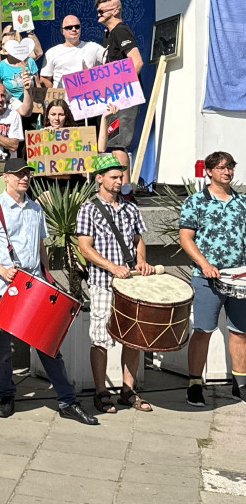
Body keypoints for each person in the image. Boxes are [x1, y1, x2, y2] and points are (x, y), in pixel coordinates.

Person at [0, 158, 97, 424]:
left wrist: (48, 274)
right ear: (6, 177)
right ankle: (6, 396)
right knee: (3, 347)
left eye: (27, 174)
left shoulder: (35, 209)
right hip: (4, 285)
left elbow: (41, 246)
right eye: (19, 174)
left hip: (34, 285)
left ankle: (67, 400)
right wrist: (2, 270)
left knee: (48, 343)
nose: (24, 178)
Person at [76, 153, 154, 414]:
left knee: (133, 338)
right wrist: (111, 267)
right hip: (102, 282)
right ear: (99, 179)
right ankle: (101, 391)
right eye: (114, 176)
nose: (120, 180)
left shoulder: (131, 207)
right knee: (100, 338)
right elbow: (84, 247)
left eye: (121, 176)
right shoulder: (88, 208)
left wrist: (141, 261)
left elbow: (138, 240)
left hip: (131, 284)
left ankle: (128, 390)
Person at [179, 151, 246, 406]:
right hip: (207, 278)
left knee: (240, 332)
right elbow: (186, 237)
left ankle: (240, 384)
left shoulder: (242, 202)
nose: (226, 172)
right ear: (208, 171)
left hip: (239, 277)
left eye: (230, 167)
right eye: (220, 168)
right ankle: (195, 384)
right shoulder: (196, 201)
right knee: (203, 330)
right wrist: (205, 264)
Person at [96, 0, 144, 184]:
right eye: (97, 10)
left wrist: (119, 90)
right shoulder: (109, 34)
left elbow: (137, 61)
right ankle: (120, 188)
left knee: (118, 143)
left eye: (102, 10)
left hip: (124, 96)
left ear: (115, 10)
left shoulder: (120, 31)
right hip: (115, 96)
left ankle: (125, 190)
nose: (98, 13)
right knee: (113, 142)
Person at [40, 16, 106, 88]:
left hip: (89, 97)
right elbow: (44, 79)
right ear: (62, 31)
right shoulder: (52, 52)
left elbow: (111, 63)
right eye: (69, 27)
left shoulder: (93, 47)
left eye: (77, 26)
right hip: (63, 98)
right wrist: (55, 96)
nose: (74, 29)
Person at [0, 29, 39, 105]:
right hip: (11, 108)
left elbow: (38, 86)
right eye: (3, 44)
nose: (5, 47)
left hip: (32, 107)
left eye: (9, 44)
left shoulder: (30, 62)